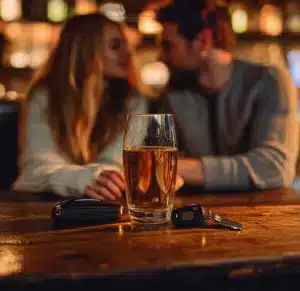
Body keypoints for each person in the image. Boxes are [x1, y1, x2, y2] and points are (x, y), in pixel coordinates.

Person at [155, 0, 299, 191]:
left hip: (270, 213)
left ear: (204, 40)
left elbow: (274, 167)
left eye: (168, 45)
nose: (160, 57)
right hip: (201, 214)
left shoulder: (270, 81)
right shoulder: (174, 94)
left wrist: (176, 166)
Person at [13, 13, 148, 200]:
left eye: (126, 44)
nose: (128, 53)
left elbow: (118, 165)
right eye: (115, 46)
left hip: (110, 209)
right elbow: (34, 171)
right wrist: (82, 179)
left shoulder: (132, 100)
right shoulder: (44, 97)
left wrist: (96, 178)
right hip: (46, 213)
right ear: (86, 51)